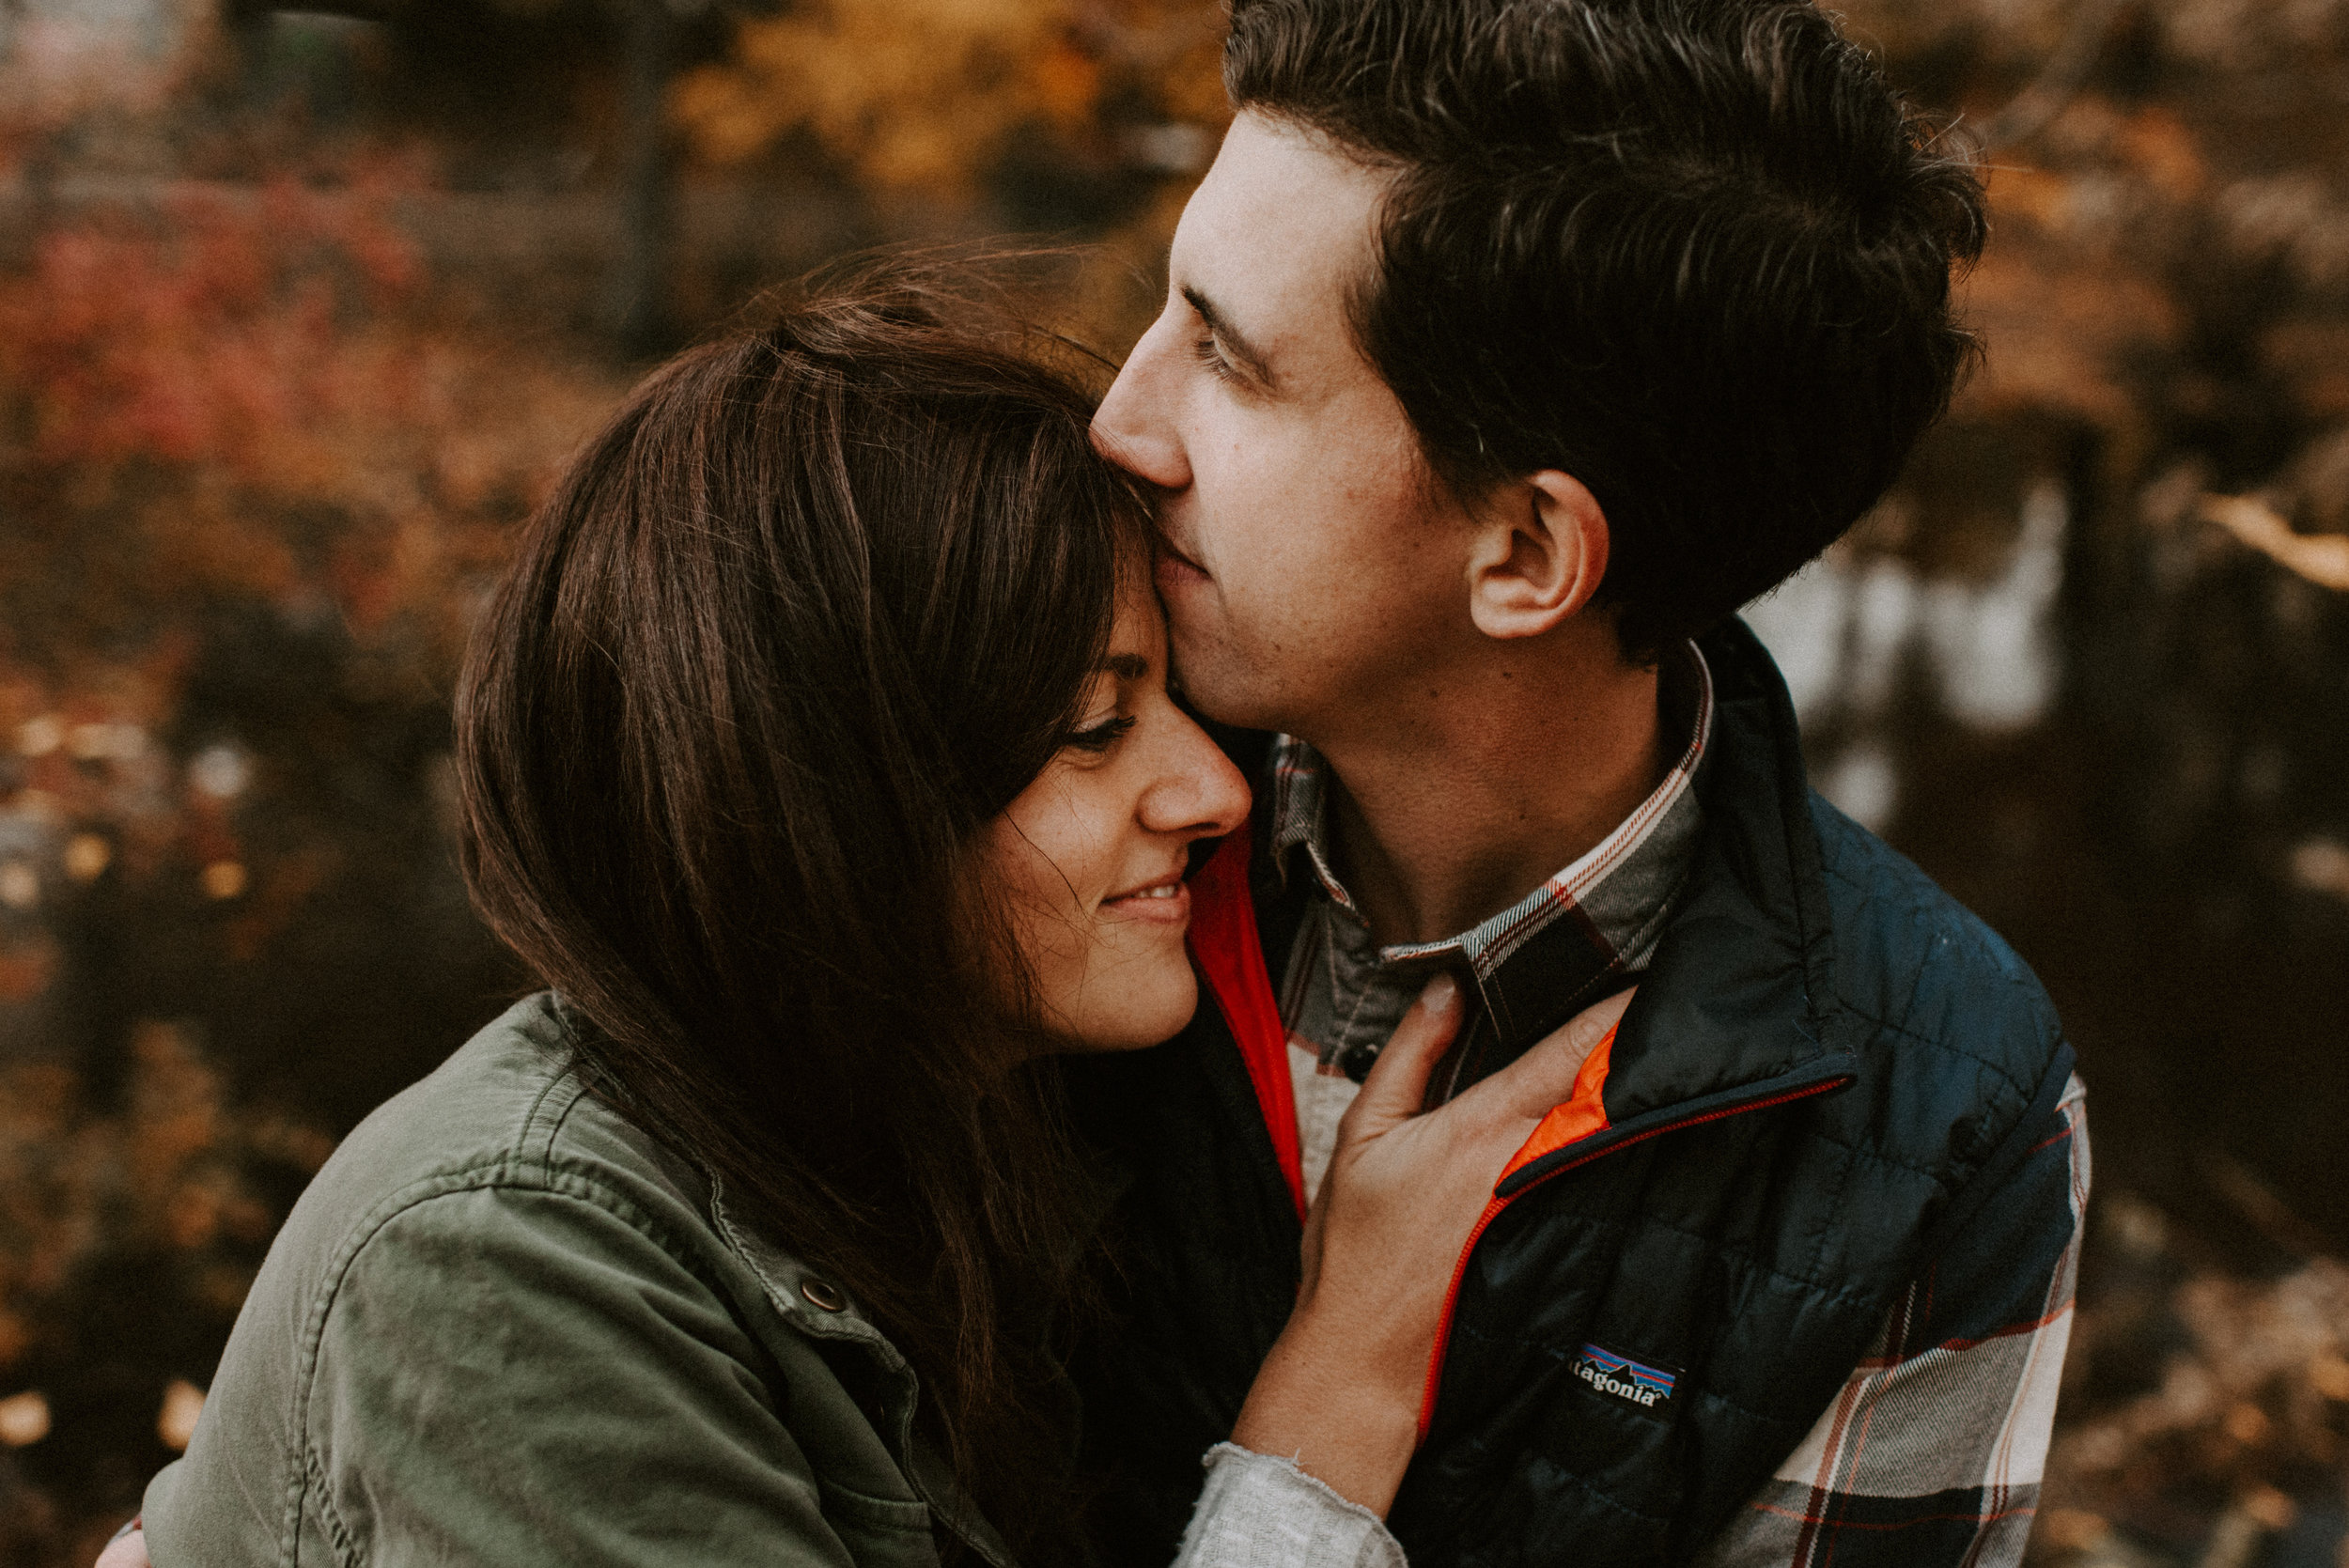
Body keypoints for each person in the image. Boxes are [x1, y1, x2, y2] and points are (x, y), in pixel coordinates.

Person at [107, 285, 1632, 1568]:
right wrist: (1324, 1419)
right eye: (1098, 728)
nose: (1216, 786)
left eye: (1178, 695)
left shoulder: (938, 1140)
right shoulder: (511, 1269)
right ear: (834, 809)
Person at [1063, 1, 2090, 1564]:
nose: (1121, 420)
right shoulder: (1004, 830)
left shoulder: (1942, 1115)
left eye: (1229, 359)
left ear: (1526, 553)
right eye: (1167, 309)